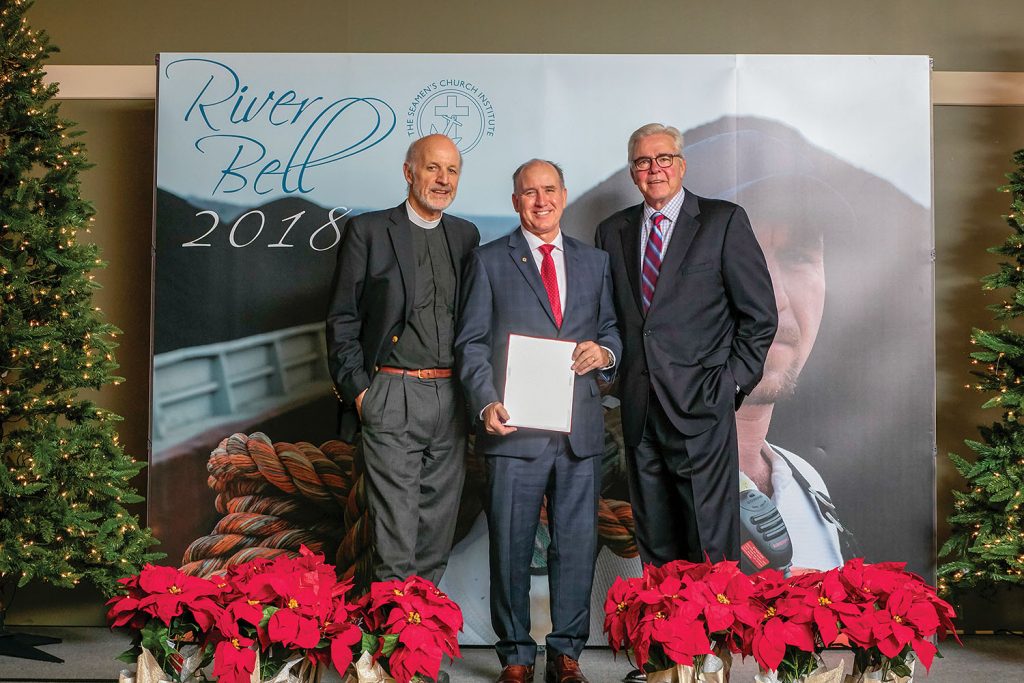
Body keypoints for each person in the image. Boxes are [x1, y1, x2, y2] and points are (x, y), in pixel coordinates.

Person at [456, 159, 621, 683]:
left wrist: (605, 353)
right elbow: (472, 343)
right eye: (529, 192)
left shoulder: (595, 262)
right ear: (515, 201)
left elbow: (614, 331)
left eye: (549, 190)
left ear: (564, 195)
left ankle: (566, 654)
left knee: (575, 547)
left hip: (579, 432)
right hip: (515, 429)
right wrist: (485, 402)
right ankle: (516, 657)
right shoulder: (487, 261)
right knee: (509, 545)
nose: (541, 200)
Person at [595, 122, 778, 566]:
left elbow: (759, 315)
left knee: (709, 542)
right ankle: (667, 636)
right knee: (655, 541)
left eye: (663, 159)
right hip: (639, 411)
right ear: (632, 171)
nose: (653, 169)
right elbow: (612, 316)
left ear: (681, 165)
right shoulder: (612, 231)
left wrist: (731, 384)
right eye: (642, 161)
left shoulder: (722, 221)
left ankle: (712, 636)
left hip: (701, 406)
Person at [325, 133, 480, 584]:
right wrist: (361, 393)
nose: (442, 179)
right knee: (394, 536)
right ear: (408, 171)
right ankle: (389, 646)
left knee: (436, 531)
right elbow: (342, 318)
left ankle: (419, 642)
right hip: (392, 392)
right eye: (433, 167)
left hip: (451, 396)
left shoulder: (466, 236)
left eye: (452, 170)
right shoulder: (369, 231)